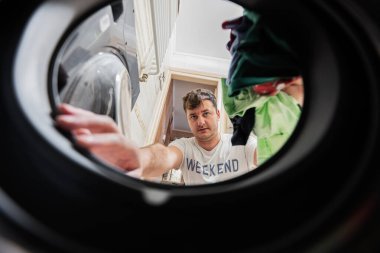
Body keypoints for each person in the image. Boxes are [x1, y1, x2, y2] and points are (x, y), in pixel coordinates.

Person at [55, 88, 258, 185]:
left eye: (206, 114)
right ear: (188, 120)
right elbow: (163, 155)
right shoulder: (185, 147)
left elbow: (265, 155)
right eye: (193, 116)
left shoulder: (242, 143)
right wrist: (138, 159)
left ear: (218, 115)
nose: (200, 122)